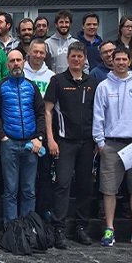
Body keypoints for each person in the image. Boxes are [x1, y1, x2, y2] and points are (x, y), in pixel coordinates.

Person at [93, 46, 132, 248]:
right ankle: (109, 229)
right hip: (111, 144)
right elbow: (98, 116)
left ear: (129, 61)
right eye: (117, 59)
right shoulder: (104, 86)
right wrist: (100, 143)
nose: (120, 62)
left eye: (123, 59)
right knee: (109, 189)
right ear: (112, 61)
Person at [44, 42, 98, 248]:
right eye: (73, 56)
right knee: (62, 184)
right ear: (67, 58)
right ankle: (58, 228)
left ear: (85, 59)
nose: (76, 59)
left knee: (85, 186)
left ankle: (81, 228)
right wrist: (51, 138)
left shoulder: (92, 81)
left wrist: (97, 139)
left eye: (80, 56)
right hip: (65, 142)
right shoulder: (57, 80)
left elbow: (99, 112)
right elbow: (47, 111)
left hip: (87, 143)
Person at [0, 49, 46, 224]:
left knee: (29, 190)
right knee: (10, 190)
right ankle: (12, 231)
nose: (15, 63)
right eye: (12, 61)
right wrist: (2, 137)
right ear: (7, 65)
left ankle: (28, 229)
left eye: (18, 60)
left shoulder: (31, 86)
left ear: (24, 62)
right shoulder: (1, 86)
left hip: (31, 144)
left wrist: (39, 137)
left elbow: (40, 113)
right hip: (10, 144)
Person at [22, 39, 55, 223]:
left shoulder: (51, 76)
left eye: (42, 52)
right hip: (23, 129)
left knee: (44, 173)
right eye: (35, 51)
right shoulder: (20, 72)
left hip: (42, 129)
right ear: (29, 52)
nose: (38, 55)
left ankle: (44, 210)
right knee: (26, 177)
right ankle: (26, 212)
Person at [45, 10, 84, 75]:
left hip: (74, 81)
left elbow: (84, 64)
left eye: (66, 22)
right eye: (61, 22)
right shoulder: (47, 43)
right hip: (54, 81)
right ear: (56, 24)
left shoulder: (76, 43)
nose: (64, 25)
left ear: (70, 24)